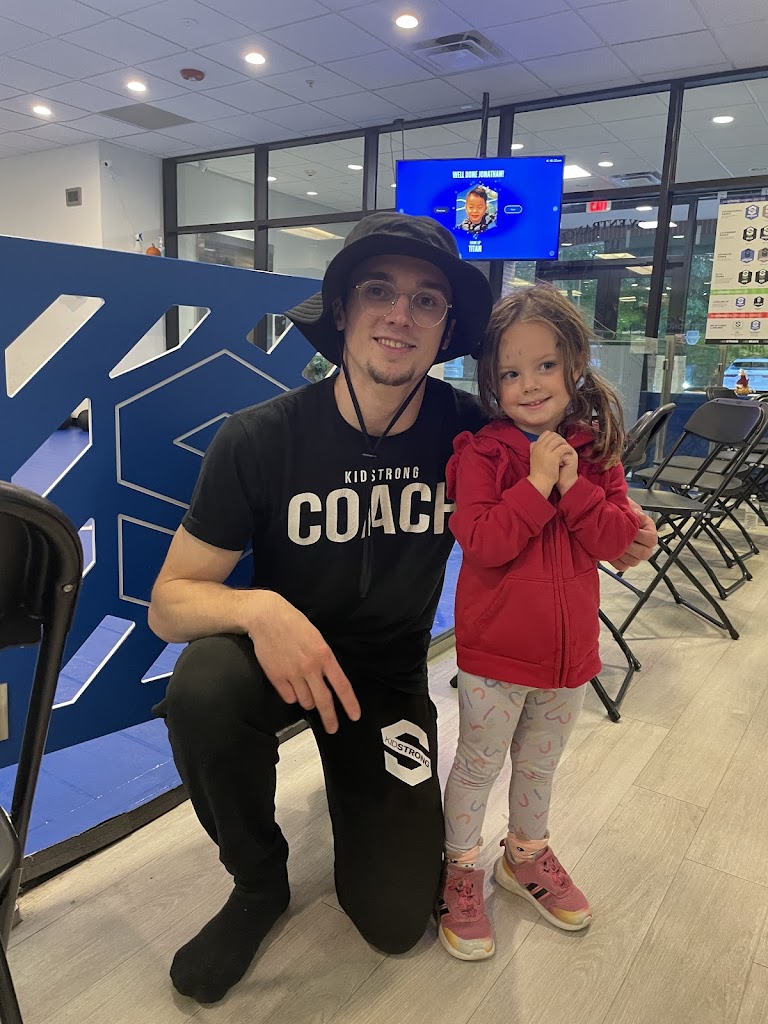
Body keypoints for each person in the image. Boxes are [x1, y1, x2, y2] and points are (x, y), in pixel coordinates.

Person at [148, 215, 657, 1003]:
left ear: (446, 329)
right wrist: (264, 613)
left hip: (386, 680)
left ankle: (362, 808)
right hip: (281, 661)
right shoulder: (260, 439)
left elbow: (567, 461)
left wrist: (622, 527)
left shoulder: (475, 434)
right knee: (202, 685)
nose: (399, 315)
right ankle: (257, 881)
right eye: (378, 291)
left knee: (394, 919)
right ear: (342, 309)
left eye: (426, 300)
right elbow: (170, 604)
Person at [436, 285, 641, 961]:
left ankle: (524, 856)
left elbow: (616, 540)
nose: (529, 384)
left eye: (545, 365)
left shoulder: (595, 451)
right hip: (495, 658)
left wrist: (573, 484)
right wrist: (535, 485)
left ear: (574, 363)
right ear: (491, 382)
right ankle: (461, 868)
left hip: (568, 658)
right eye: (511, 372)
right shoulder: (482, 454)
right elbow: (484, 541)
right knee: (477, 766)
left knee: (539, 767)